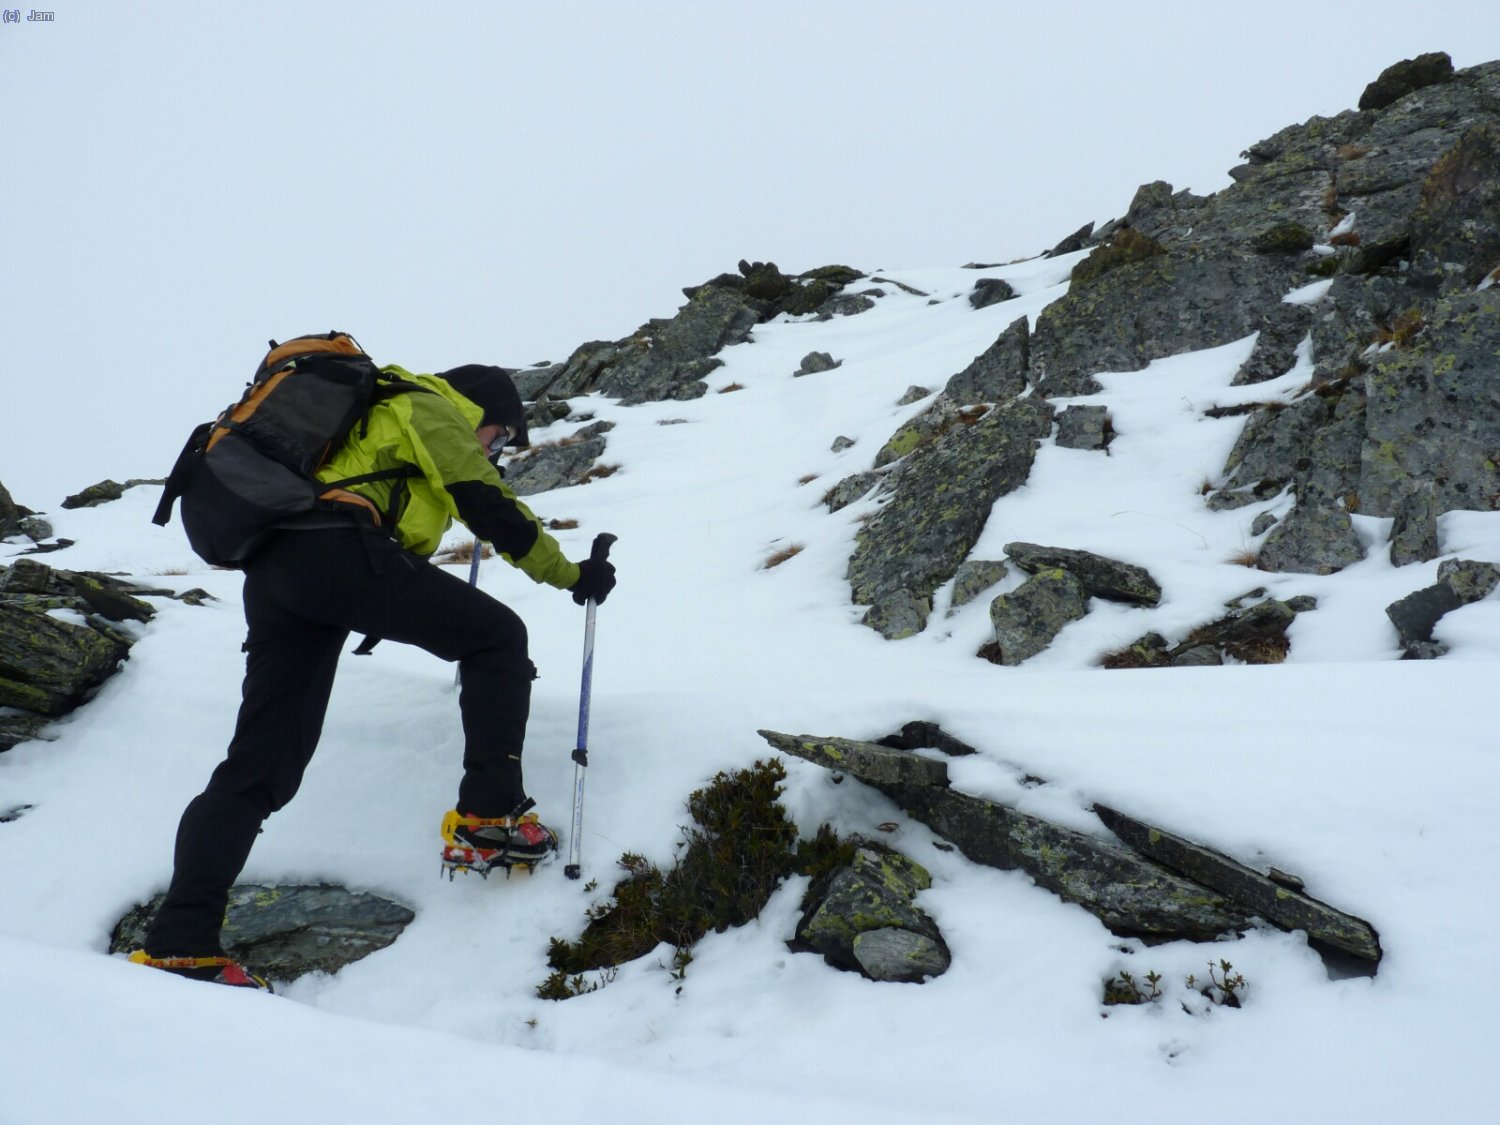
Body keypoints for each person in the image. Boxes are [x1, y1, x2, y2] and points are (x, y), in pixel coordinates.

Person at [131, 344, 615, 990]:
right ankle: (489, 815)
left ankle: (180, 939)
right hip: (333, 552)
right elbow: (487, 503)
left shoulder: (369, 418)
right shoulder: (432, 407)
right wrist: (573, 574)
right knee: (498, 636)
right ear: (485, 411)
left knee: (259, 767)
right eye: (502, 434)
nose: (498, 447)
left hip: (277, 573)